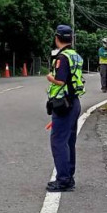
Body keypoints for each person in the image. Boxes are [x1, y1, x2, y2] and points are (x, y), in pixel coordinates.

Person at [45, 24, 86, 192]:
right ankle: (69, 177)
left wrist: (50, 78)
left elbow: (60, 80)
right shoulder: (75, 55)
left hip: (63, 104)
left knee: (58, 141)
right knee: (69, 141)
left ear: (57, 38)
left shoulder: (62, 58)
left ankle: (63, 180)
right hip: (74, 101)